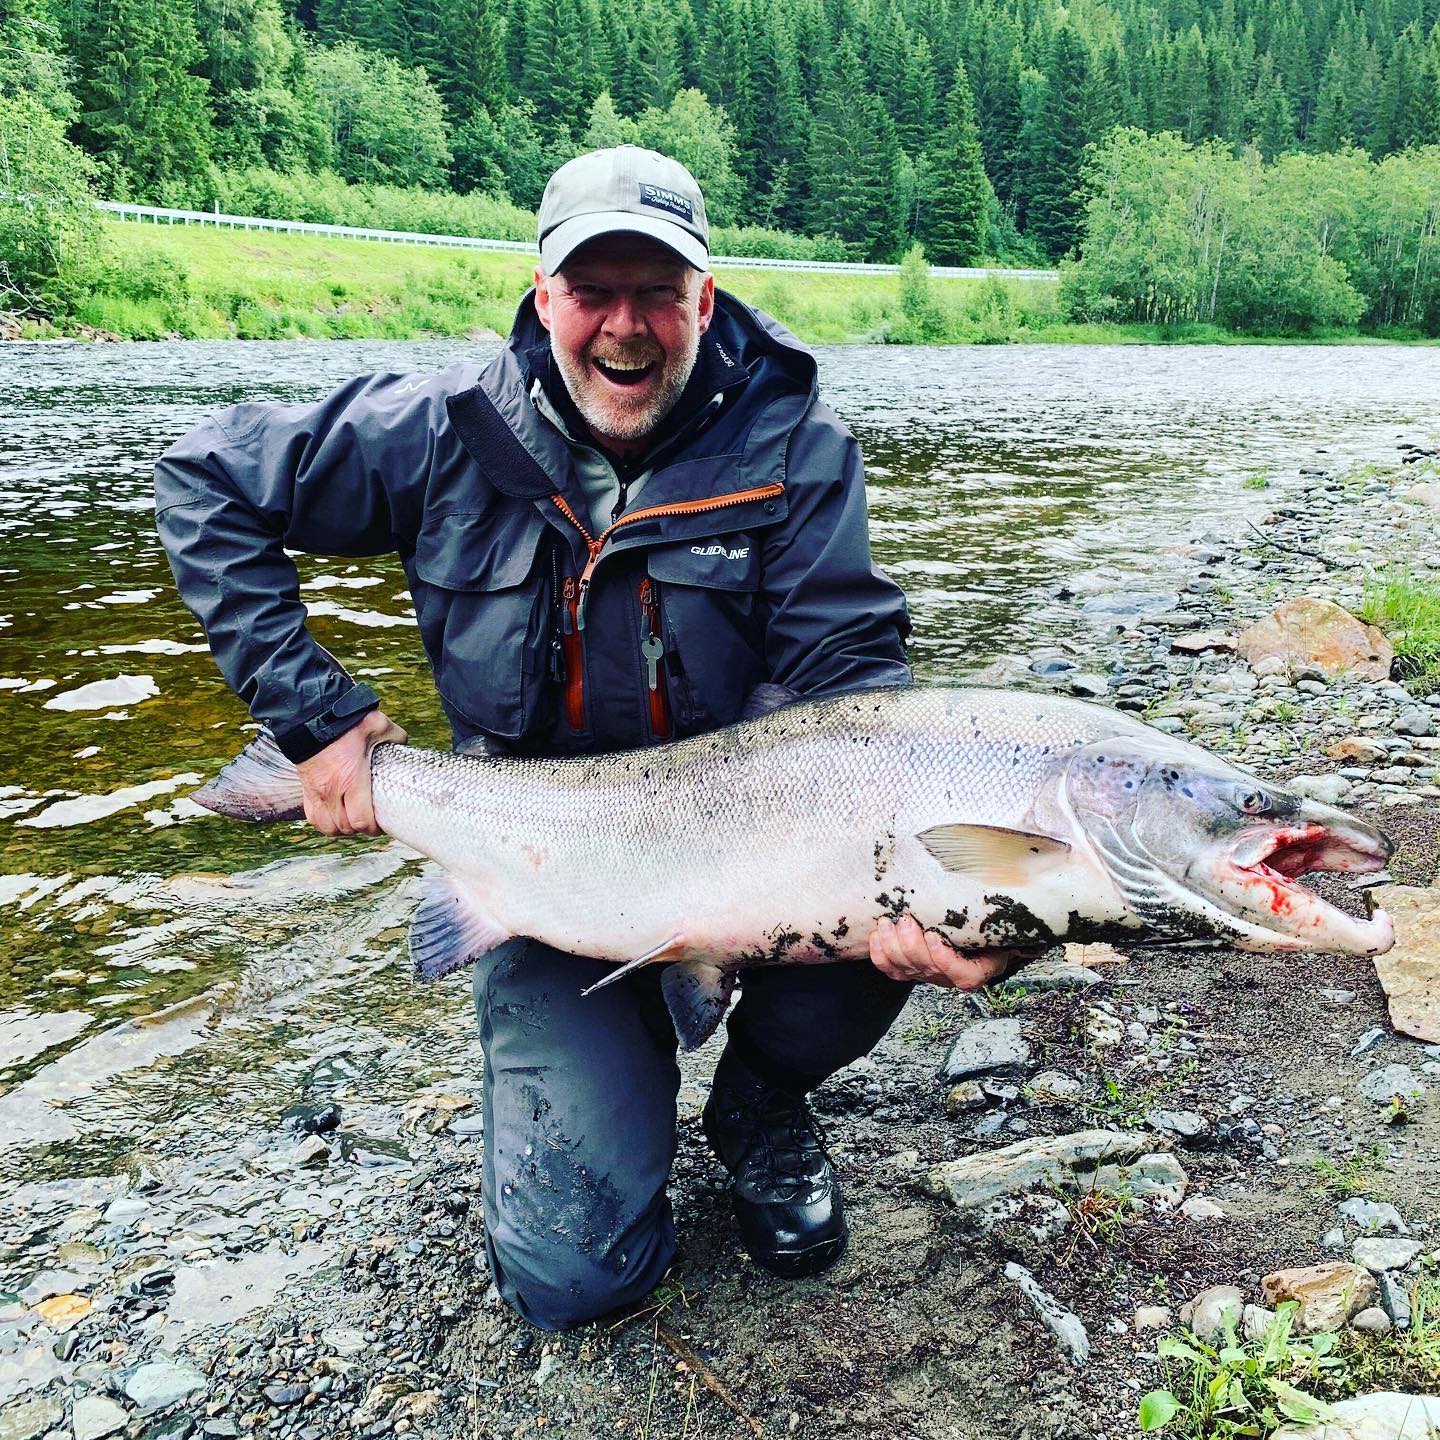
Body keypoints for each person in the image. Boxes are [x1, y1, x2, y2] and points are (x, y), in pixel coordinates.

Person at [155, 146, 1008, 1331]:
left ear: (705, 299)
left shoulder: (797, 452)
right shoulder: (442, 433)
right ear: (543, 295)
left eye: (658, 291)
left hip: (763, 860)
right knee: (578, 1284)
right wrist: (314, 719)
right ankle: (627, 1046)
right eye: (593, 290)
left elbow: (859, 697)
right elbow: (203, 482)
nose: (626, 326)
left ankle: (759, 1098)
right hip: (543, 873)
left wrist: (972, 913)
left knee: (916, 892)